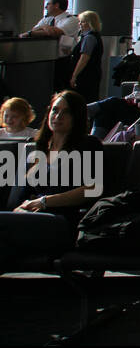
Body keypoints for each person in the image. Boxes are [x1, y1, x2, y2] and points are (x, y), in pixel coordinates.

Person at [0, 91, 103, 268]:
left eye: (66, 112)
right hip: (31, 220)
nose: (58, 116)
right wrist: (20, 209)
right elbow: (22, 194)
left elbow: (93, 188)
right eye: (55, 110)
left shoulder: (88, 145)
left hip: (62, 221)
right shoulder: (40, 149)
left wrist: (44, 201)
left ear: (77, 116)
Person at [68, 11, 104, 101]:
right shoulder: (95, 36)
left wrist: (74, 75)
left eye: (82, 22)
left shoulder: (89, 38)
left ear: (89, 23)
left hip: (86, 75)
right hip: (93, 73)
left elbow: (84, 58)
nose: (80, 24)